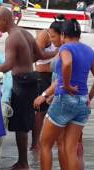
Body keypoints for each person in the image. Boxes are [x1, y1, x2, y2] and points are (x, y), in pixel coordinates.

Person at [0, 7, 57, 170]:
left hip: (21, 82)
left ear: (5, 20)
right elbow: (40, 56)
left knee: (20, 124)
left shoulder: (12, 38)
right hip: (32, 78)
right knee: (28, 117)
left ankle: (23, 163)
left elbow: (8, 65)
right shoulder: (25, 33)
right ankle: (28, 154)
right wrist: (58, 50)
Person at [40, 19, 94, 170]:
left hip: (65, 99)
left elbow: (67, 63)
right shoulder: (89, 50)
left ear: (63, 35)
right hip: (82, 103)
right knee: (71, 149)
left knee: (45, 144)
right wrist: (88, 97)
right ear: (79, 34)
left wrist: (67, 86)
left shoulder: (65, 47)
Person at [30, 15, 65, 151]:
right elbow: (36, 55)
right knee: (40, 111)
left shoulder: (62, 39)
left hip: (54, 76)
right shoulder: (45, 35)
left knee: (50, 109)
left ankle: (52, 138)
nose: (53, 38)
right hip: (42, 75)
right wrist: (55, 53)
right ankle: (35, 144)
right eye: (52, 35)